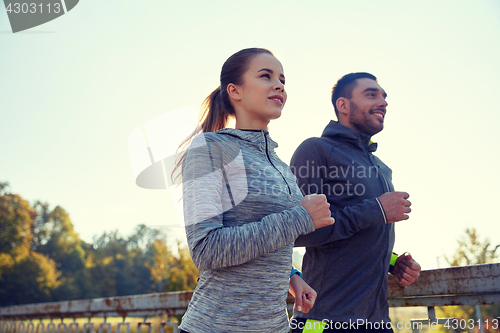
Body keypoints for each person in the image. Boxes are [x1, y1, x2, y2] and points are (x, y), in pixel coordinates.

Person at [175, 48, 334, 333]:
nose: (279, 85)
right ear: (235, 90)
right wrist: (300, 217)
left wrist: (292, 275)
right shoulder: (211, 148)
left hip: (275, 326)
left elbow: (269, 238)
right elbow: (206, 250)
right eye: (266, 76)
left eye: (283, 80)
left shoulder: (281, 165)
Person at [289, 73, 422, 333]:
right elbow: (294, 232)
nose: (383, 101)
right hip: (319, 323)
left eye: (384, 96)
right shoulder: (315, 150)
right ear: (343, 105)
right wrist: (377, 210)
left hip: (377, 324)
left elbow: (357, 236)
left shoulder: (382, 168)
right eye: (371, 94)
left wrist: (393, 262)